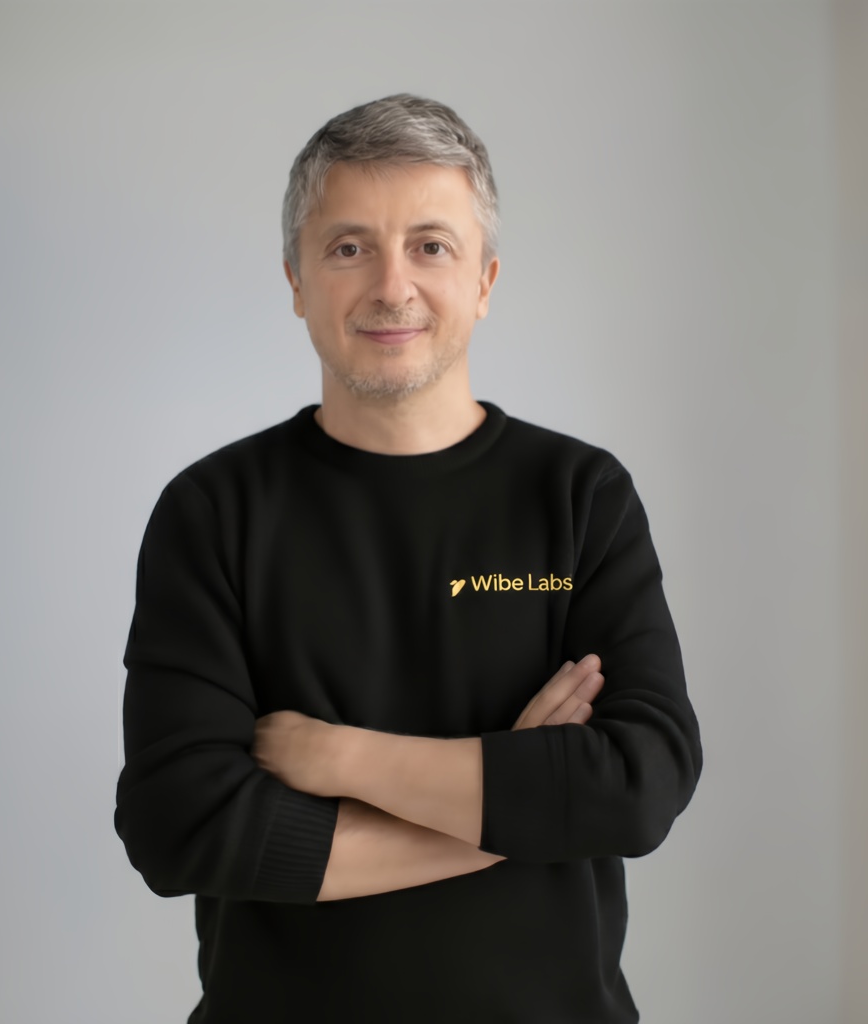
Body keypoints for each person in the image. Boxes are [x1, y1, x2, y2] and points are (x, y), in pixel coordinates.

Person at [115, 93, 702, 1023]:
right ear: (296, 279)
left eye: (431, 245)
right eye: (349, 247)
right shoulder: (213, 511)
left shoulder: (580, 496)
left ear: (484, 281)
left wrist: (339, 756)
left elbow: (639, 784)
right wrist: (519, 801)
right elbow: (180, 826)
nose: (392, 285)